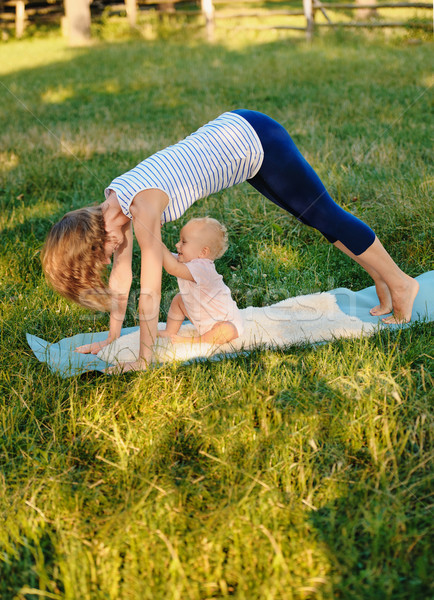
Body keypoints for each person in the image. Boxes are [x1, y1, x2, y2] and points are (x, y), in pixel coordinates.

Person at [41, 109, 419, 372]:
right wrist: (111, 339)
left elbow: (150, 293)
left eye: (98, 259)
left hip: (254, 138)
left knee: (325, 213)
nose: (106, 262)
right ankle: (382, 281)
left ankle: (401, 282)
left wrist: (143, 358)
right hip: (240, 148)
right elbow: (122, 279)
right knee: (315, 218)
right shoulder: (112, 207)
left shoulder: (141, 207)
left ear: (96, 239)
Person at [158, 217, 243, 345]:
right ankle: (169, 331)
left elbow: (172, 268)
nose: (177, 245)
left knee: (227, 329)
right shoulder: (188, 261)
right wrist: (154, 234)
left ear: (203, 252)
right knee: (179, 299)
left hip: (222, 322)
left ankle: (196, 341)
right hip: (203, 319)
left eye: (183, 242)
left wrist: (156, 240)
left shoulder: (203, 268)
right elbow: (166, 257)